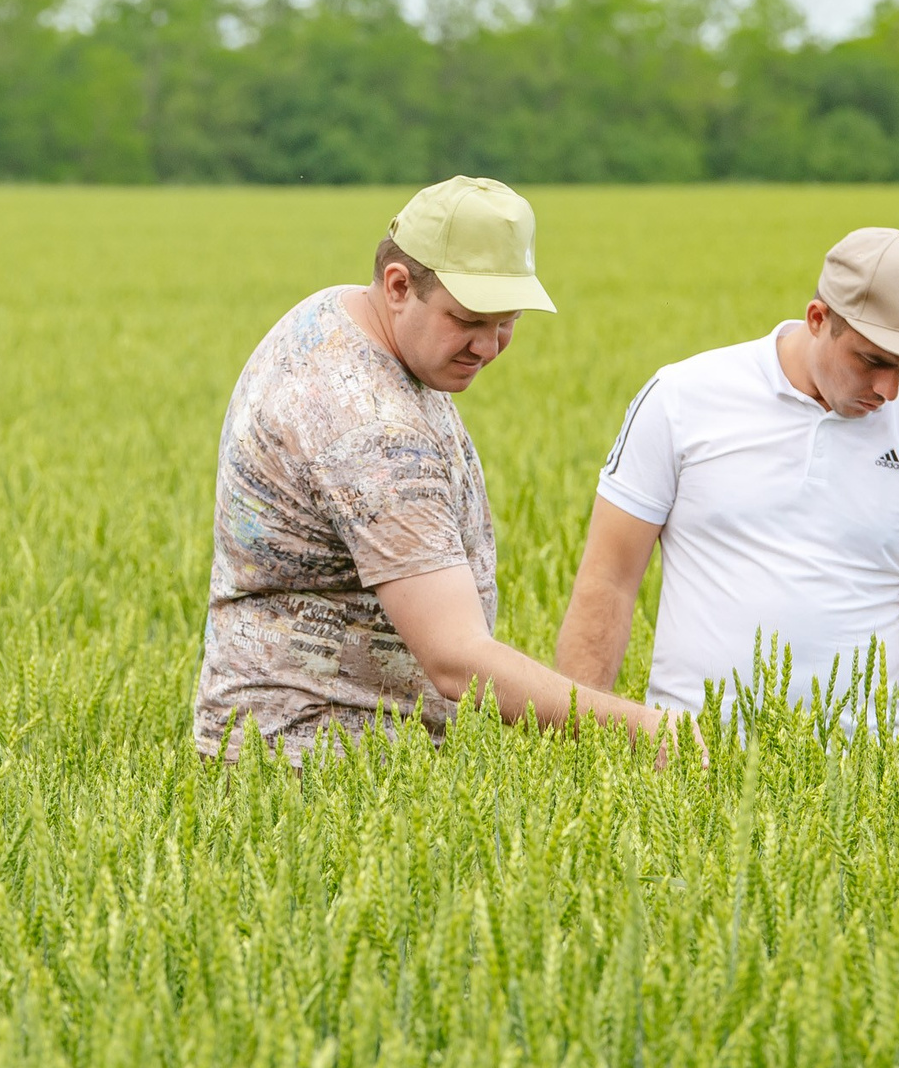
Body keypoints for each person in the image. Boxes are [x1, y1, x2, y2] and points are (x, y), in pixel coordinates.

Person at [193, 175, 675, 762]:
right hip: (317, 769)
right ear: (399, 285)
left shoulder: (344, 313)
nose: (490, 346)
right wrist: (643, 730)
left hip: (302, 751)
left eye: (508, 321)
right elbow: (455, 660)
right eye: (468, 320)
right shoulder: (370, 431)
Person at [554, 226, 899, 742]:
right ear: (818, 319)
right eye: (872, 361)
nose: (889, 390)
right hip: (693, 763)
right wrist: (575, 753)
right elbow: (608, 583)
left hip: (867, 781)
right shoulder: (682, 398)